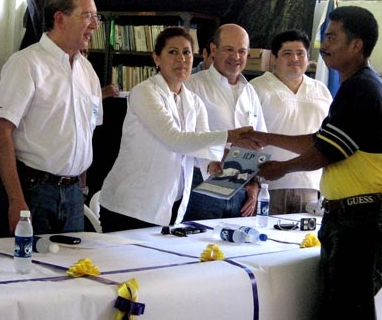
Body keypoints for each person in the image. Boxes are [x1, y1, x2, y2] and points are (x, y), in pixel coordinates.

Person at [244, 6, 382, 320]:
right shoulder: (354, 86)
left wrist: (279, 168)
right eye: (324, 37)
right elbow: (320, 139)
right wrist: (264, 137)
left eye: (331, 38)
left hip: (363, 222)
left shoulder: (360, 88)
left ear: (357, 45)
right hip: (348, 219)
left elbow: (324, 153)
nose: (322, 46)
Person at [98, 26, 255, 231]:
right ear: (157, 58)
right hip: (130, 206)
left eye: (186, 52)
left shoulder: (194, 101)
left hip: (172, 204)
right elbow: (175, 140)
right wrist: (230, 136)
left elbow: (202, 146)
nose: (181, 58)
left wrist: (213, 165)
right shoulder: (145, 92)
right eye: (173, 52)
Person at [0, 0, 103, 236]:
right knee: (27, 272)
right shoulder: (27, 63)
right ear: (60, 19)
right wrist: (16, 201)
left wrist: (81, 191)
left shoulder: (88, 72)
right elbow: (1, 133)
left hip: (74, 194)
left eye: (96, 17)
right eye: (87, 16)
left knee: (71, 272)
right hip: (33, 191)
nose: (95, 25)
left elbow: (87, 134)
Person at [183, 23, 267, 221]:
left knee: (234, 249)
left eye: (242, 51)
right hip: (201, 184)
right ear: (214, 49)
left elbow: (261, 142)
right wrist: (223, 152)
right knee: (198, 249)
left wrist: (254, 184)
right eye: (229, 49)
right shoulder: (192, 86)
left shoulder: (250, 91)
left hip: (240, 185)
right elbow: (183, 139)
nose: (236, 57)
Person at [249, 29, 332, 214]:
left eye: (300, 53)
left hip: (312, 186)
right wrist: (252, 182)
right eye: (287, 53)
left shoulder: (321, 90)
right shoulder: (256, 88)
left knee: (306, 242)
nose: (295, 58)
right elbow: (248, 139)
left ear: (308, 57)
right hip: (268, 187)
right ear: (274, 57)